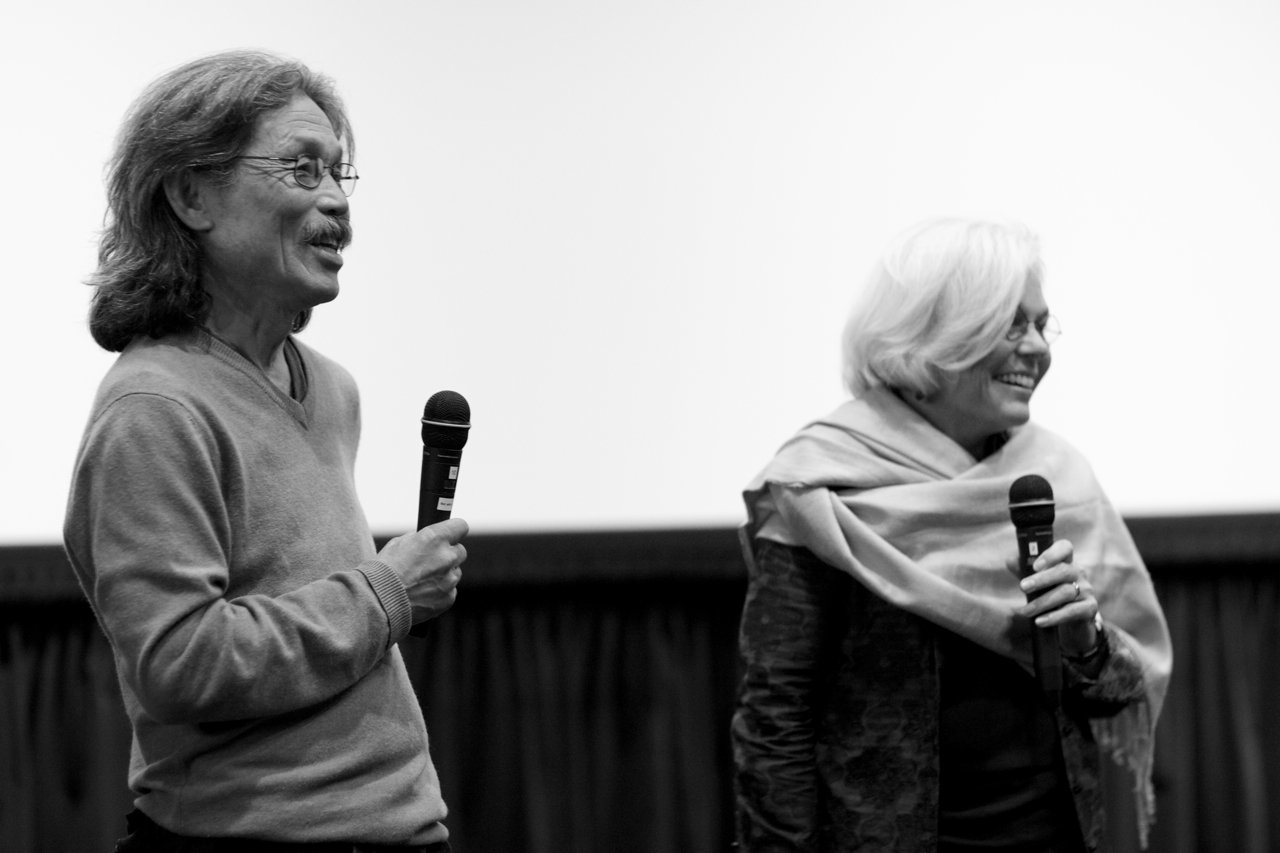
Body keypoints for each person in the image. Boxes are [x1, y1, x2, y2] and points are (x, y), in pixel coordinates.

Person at [63, 51, 467, 851]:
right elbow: (182, 664)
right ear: (191, 195)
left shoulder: (332, 388)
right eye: (301, 168)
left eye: (339, 172)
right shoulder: (155, 408)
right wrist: (388, 590)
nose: (335, 200)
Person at [730, 218, 1172, 852]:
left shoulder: (1056, 476)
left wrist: (1087, 641)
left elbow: (1117, 692)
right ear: (933, 335)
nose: (1037, 348)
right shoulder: (819, 484)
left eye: (1041, 324)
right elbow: (775, 718)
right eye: (1010, 326)